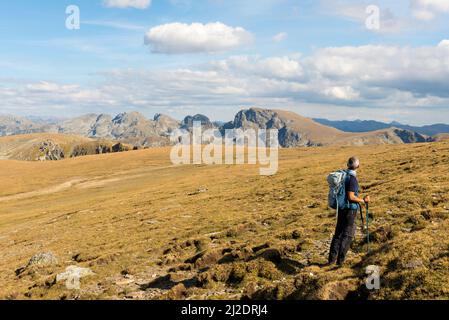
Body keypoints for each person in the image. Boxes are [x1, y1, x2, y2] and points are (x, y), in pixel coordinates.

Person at [328, 156, 370, 266]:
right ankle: (340, 262)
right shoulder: (352, 179)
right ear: (358, 166)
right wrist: (363, 200)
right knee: (348, 235)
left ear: (347, 165)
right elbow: (351, 197)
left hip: (341, 208)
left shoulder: (344, 176)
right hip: (350, 210)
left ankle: (331, 260)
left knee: (338, 233)